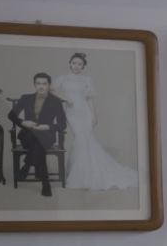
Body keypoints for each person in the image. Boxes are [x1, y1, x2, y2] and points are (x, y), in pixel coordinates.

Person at [55, 52, 139, 191]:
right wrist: (65, 98)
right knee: (80, 139)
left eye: (80, 64)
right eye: (74, 63)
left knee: (86, 141)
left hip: (85, 113)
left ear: (83, 66)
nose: (76, 66)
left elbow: (90, 98)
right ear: (70, 63)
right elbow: (52, 90)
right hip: (72, 113)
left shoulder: (86, 80)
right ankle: (82, 174)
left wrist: (94, 115)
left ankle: (88, 174)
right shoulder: (62, 78)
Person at [8, 72, 68, 197]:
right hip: (27, 135)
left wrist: (47, 126)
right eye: (38, 83)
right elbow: (11, 115)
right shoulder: (26, 98)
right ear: (34, 85)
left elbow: (62, 124)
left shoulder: (55, 101)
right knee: (37, 142)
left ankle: (26, 167)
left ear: (49, 85)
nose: (41, 86)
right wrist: (23, 122)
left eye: (44, 84)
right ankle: (45, 183)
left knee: (39, 140)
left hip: (46, 135)